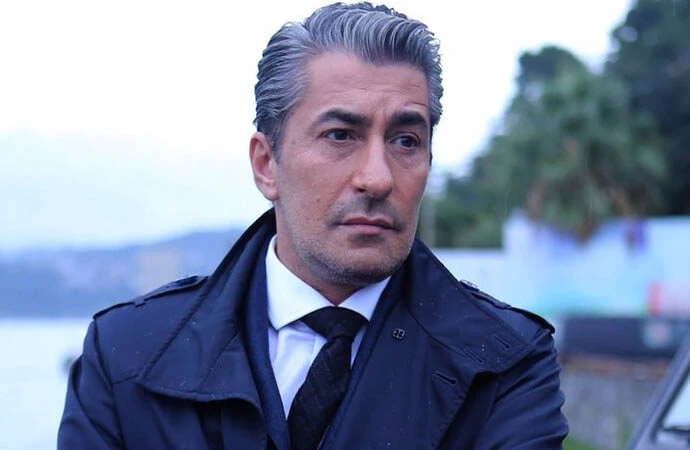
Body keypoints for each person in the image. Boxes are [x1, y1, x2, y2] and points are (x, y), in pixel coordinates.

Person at [58, 2, 569, 449]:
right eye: (341, 135)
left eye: (406, 141)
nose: (377, 178)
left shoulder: (507, 364)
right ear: (267, 164)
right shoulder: (126, 353)